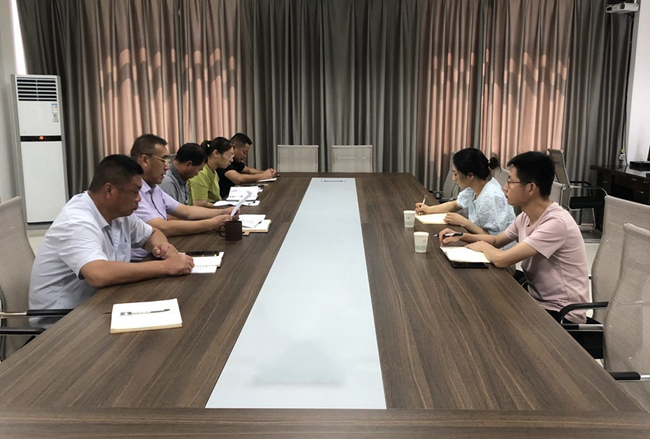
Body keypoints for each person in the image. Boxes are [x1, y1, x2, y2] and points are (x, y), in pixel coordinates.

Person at [29, 155, 195, 315]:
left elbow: (153, 233)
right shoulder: (76, 221)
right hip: (64, 320)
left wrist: (162, 246)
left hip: (102, 302)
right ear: (109, 190)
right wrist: (166, 266)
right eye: (135, 192)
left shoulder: (119, 213)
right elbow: (98, 274)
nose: (139, 199)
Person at [437, 151, 589, 323]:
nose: (504, 187)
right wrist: (460, 235)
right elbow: (496, 240)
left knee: (481, 314)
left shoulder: (555, 223)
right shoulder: (525, 217)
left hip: (561, 314)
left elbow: (502, 259)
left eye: (510, 181)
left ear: (530, 188)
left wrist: (482, 246)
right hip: (536, 301)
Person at [129, 135, 234, 260]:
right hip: (141, 260)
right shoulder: (132, 193)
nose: (167, 166)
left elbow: (186, 211)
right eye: (163, 160)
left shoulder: (154, 188)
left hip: (158, 252)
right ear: (145, 160)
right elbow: (161, 227)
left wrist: (222, 212)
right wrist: (212, 224)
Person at [415, 148, 515, 238]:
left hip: (498, 249)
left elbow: (494, 238)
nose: (453, 178)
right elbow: (455, 204)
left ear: (470, 175)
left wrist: (464, 222)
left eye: (455, 174)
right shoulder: (474, 187)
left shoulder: (490, 197)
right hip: (479, 241)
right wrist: (429, 209)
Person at [217, 133, 278, 199]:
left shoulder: (235, 161)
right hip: (225, 198)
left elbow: (248, 170)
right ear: (234, 147)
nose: (245, 156)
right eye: (244, 152)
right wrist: (263, 175)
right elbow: (238, 178)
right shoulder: (223, 160)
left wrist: (268, 173)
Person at [188, 137, 235, 206]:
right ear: (216, 153)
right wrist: (223, 208)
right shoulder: (201, 173)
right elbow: (199, 204)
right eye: (229, 156)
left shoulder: (213, 171)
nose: (231, 160)